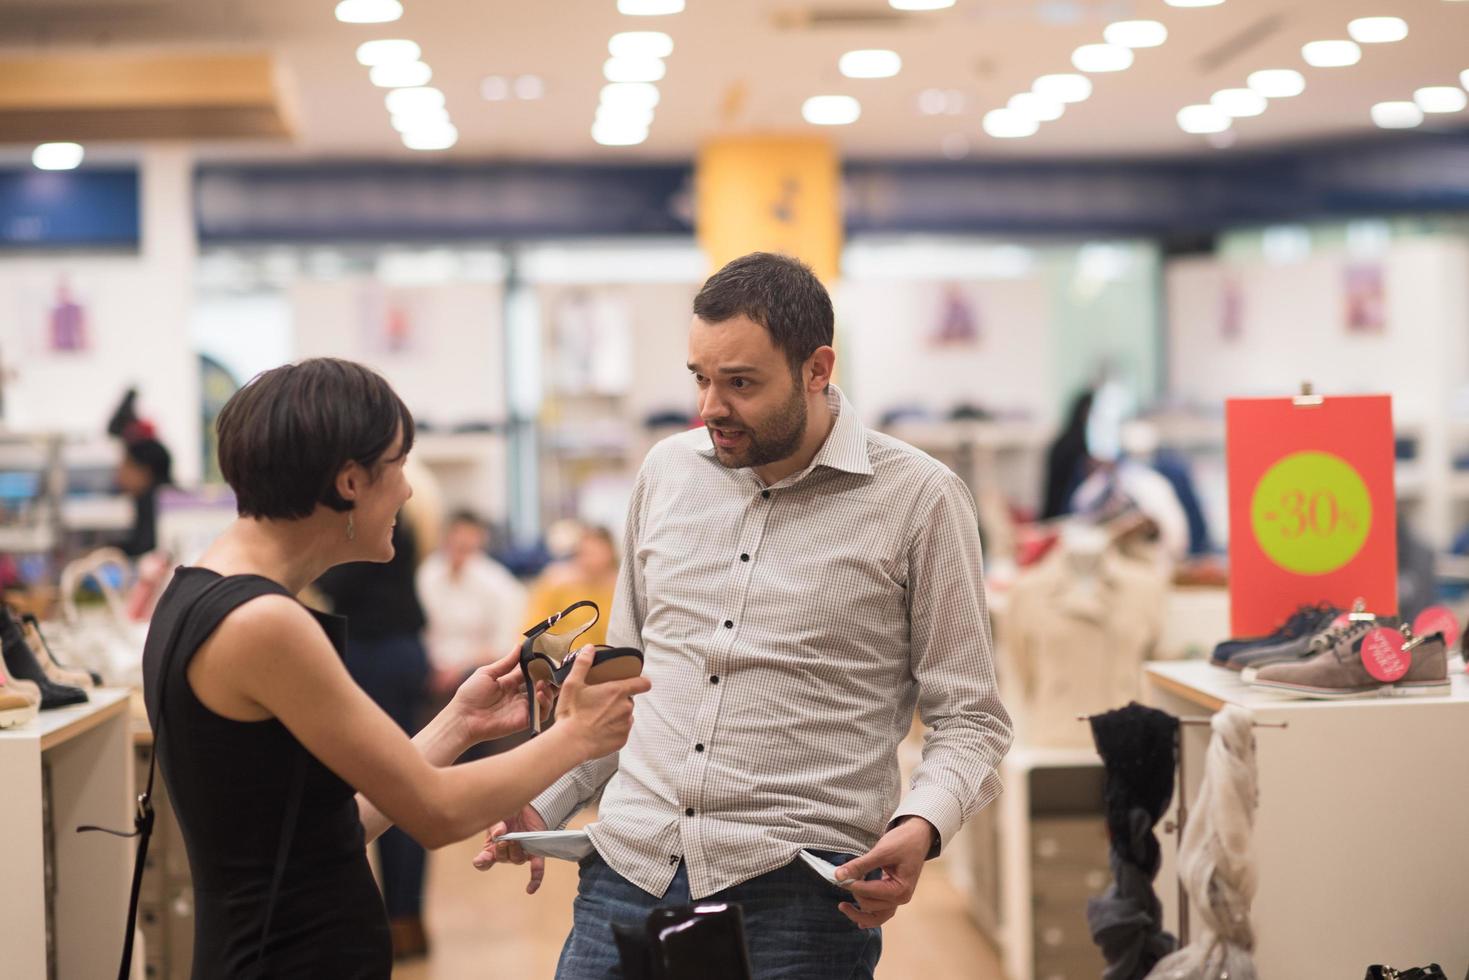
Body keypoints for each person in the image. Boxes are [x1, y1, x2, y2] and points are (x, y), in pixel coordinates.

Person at [478, 253, 1013, 979]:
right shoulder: (665, 473)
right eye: (700, 377)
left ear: (817, 368)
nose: (710, 407)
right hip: (624, 874)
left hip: (799, 893)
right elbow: (624, 692)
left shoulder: (920, 500)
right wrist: (545, 800)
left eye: (740, 383)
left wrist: (920, 824)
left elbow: (971, 718)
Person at [141, 358, 649, 979]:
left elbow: (324, 837)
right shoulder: (263, 624)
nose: (408, 492)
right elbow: (434, 813)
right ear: (351, 481)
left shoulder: (200, 593)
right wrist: (577, 737)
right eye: (399, 465)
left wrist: (458, 724)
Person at [314, 518, 433, 959]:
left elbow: (338, 580)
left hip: (379, 654)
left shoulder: (374, 523)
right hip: (391, 650)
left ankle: (403, 921)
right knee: (396, 783)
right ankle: (405, 921)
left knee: (394, 785)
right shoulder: (391, 520)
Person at [418, 510, 527, 699]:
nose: (462, 541)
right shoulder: (426, 573)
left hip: (473, 669)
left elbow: (503, 643)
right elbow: (421, 629)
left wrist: (459, 668)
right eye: (456, 534)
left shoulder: (498, 582)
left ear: (481, 539)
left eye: (470, 536)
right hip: (427, 665)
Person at [522, 524, 617, 647]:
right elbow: (533, 628)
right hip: (562, 660)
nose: (590, 561)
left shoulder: (618, 590)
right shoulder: (556, 583)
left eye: (595, 553)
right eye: (585, 553)